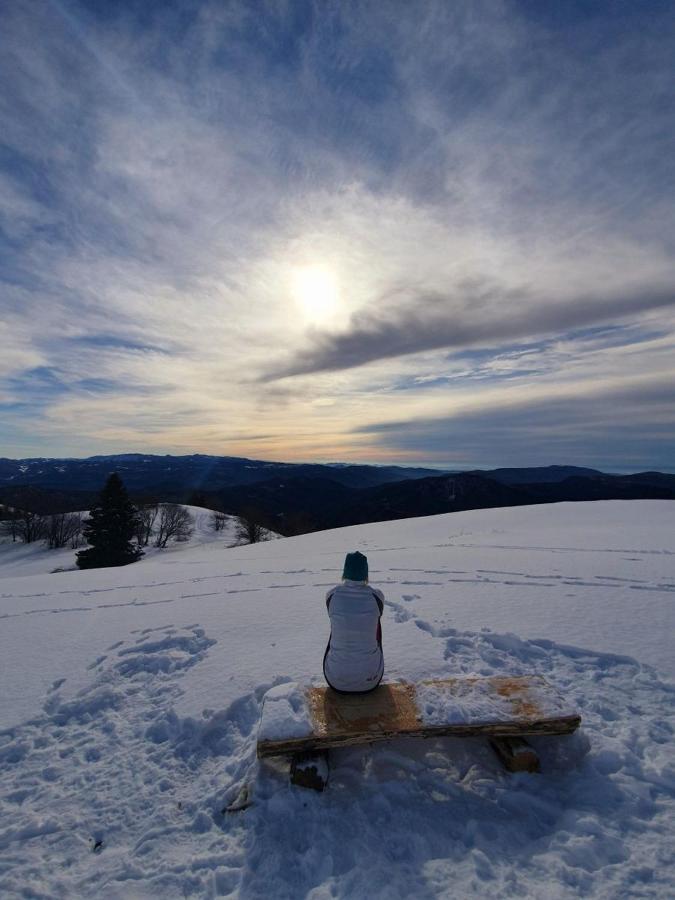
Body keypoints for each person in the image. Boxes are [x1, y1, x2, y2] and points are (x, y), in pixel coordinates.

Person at [323, 551, 384, 693]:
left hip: (335, 680)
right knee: (375, 624)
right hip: (371, 681)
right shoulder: (377, 596)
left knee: (339, 626)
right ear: (365, 572)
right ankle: (367, 668)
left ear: (345, 571)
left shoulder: (331, 595)